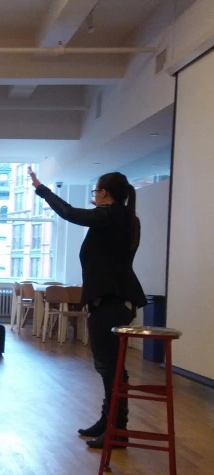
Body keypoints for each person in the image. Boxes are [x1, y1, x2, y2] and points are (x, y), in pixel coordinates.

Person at [30, 168, 146, 449]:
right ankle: (110, 422)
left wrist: (42, 189)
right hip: (114, 300)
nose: (94, 197)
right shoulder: (123, 218)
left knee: (110, 366)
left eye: (95, 191)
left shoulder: (110, 216)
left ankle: (117, 429)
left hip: (112, 301)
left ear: (104, 193)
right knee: (109, 365)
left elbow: (70, 213)